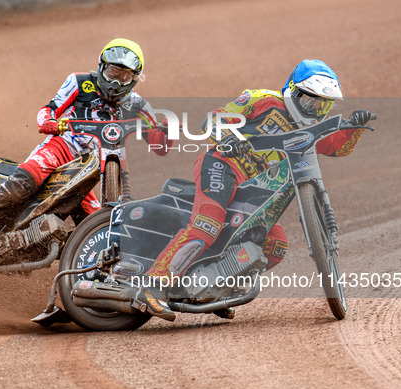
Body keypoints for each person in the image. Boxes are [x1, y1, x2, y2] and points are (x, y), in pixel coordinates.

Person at [138, 59, 374, 321]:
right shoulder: (262, 99)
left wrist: (354, 128)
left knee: (275, 243)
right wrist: (231, 138)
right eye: (310, 101)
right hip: (222, 165)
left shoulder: (310, 127)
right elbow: (213, 119)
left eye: (323, 105)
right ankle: (151, 286)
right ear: (293, 92)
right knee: (207, 226)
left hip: (252, 189)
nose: (315, 110)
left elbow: (337, 147)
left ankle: (216, 290)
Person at [0, 38, 169, 262]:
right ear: (102, 67)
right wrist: (50, 122)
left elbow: (158, 145)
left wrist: (166, 132)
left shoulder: (139, 105)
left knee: (95, 228)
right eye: (113, 73)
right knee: (22, 183)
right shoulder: (81, 82)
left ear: (135, 78)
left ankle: (38, 254)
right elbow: (49, 109)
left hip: (89, 169)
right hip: (62, 148)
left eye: (125, 76)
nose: (117, 82)